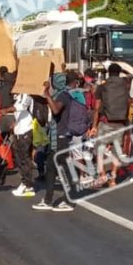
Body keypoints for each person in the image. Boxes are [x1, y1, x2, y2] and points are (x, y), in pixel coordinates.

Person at [33, 72, 83, 212]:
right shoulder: (63, 95)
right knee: (52, 169)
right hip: (59, 138)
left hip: (60, 138)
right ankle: (50, 200)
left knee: (64, 170)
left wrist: (47, 94)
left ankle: (68, 201)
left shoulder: (62, 96)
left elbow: (55, 110)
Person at [92, 63, 130, 187]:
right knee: (116, 152)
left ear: (108, 73)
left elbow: (97, 108)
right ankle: (113, 178)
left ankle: (102, 174)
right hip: (120, 123)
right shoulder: (125, 86)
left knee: (99, 149)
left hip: (105, 122)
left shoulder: (103, 87)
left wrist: (94, 125)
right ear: (119, 73)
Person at [8, 89, 36, 197]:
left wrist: (7, 109)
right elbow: (19, 113)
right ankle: (26, 183)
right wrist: (14, 123)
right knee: (20, 158)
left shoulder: (26, 95)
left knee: (24, 158)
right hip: (19, 131)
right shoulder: (19, 96)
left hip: (26, 130)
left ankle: (27, 184)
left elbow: (22, 107)